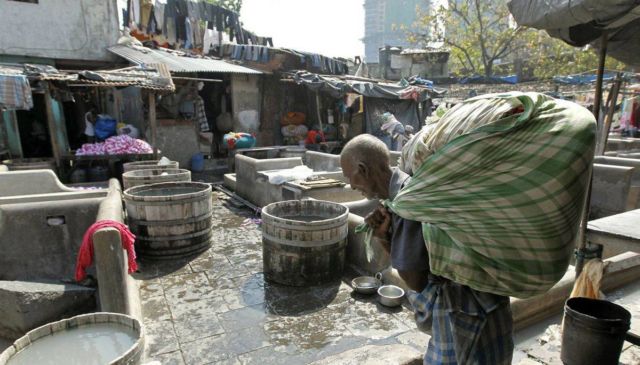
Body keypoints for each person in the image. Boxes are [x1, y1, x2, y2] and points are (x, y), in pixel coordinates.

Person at [340, 134, 513, 365]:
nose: (351, 185)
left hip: (465, 312)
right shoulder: (410, 188)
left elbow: (415, 281)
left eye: (349, 176)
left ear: (363, 169)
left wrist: (383, 240)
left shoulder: (407, 202)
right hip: (487, 299)